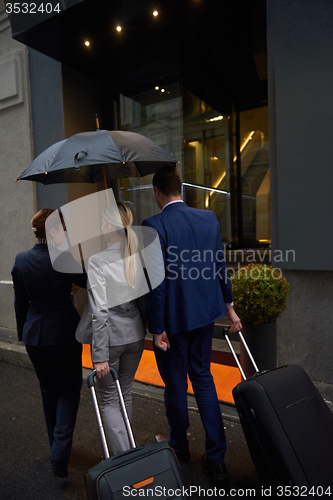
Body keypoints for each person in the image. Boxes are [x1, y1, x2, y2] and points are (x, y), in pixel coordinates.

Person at [142, 164, 242, 482]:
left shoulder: (153, 225)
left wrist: (157, 328)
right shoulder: (208, 218)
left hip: (172, 321)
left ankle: (180, 448)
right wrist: (230, 307)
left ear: (157, 192)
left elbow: (157, 285)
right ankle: (216, 458)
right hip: (204, 314)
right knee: (203, 378)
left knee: (175, 385)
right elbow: (219, 264)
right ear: (180, 189)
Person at [11, 209, 87, 478]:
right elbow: (89, 280)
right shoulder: (63, 258)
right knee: (68, 390)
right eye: (63, 229)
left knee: (48, 390)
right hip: (64, 334)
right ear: (53, 231)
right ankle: (60, 454)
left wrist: (23, 333)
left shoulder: (21, 261)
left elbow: (21, 303)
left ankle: (56, 445)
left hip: (34, 335)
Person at [76, 202, 146, 455]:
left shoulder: (98, 261)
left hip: (113, 340)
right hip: (135, 335)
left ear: (108, 226)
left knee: (108, 401)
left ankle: (125, 460)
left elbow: (100, 312)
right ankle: (130, 452)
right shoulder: (136, 256)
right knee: (124, 393)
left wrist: (100, 355)